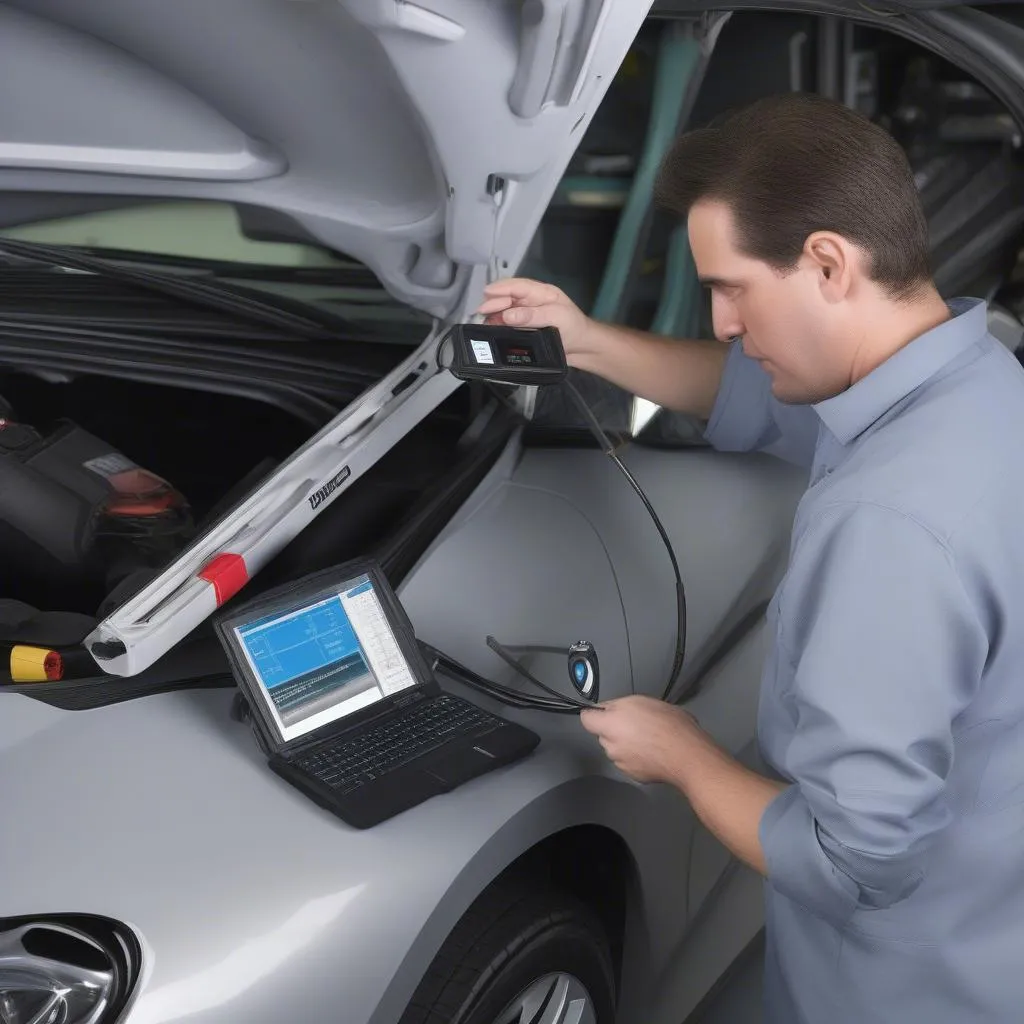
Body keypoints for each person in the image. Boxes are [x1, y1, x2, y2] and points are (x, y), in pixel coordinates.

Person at [477, 92, 1024, 1023]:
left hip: (905, 990)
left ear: (826, 263)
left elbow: (857, 864)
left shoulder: (889, 524)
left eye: (732, 288)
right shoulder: (979, 379)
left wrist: (682, 754)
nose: (722, 323)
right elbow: (771, 402)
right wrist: (591, 342)